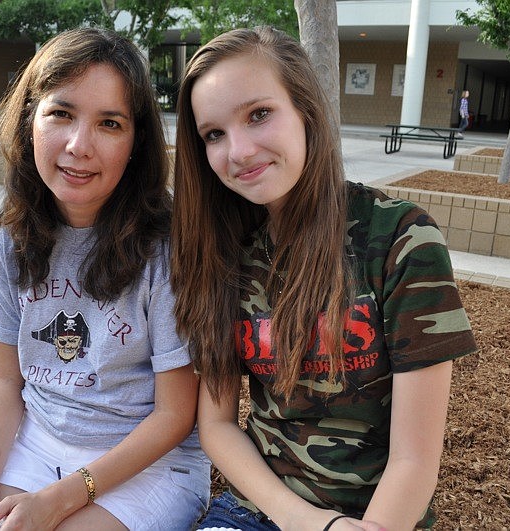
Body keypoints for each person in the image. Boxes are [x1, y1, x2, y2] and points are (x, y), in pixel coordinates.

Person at [171, 27, 478, 531]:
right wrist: (307, 521)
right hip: (262, 508)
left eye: (259, 114)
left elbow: (414, 459)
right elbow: (218, 426)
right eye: (214, 134)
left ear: (306, 110)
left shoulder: (402, 237)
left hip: (380, 516)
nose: (239, 150)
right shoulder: (225, 251)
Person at [0, 27, 209, 531]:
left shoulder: (167, 251)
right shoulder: (11, 245)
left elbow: (175, 416)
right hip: (37, 443)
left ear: (135, 142)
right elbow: (3, 378)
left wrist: (59, 501)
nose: (80, 146)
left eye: (109, 123)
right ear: (29, 121)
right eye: (61, 113)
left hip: (147, 462)